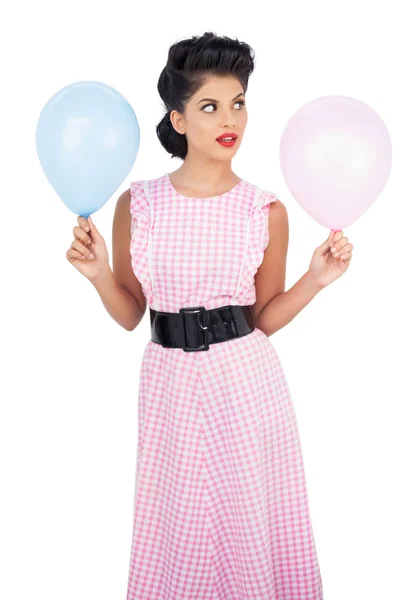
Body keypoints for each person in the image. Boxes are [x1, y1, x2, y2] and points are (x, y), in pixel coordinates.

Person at [66, 31, 353, 600]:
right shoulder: (138, 203)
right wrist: (99, 272)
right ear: (178, 119)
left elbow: (264, 317)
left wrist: (316, 281)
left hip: (244, 381)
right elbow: (130, 315)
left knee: (247, 517)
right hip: (167, 381)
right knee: (177, 522)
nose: (231, 120)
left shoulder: (263, 209)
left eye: (238, 102)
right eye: (210, 106)